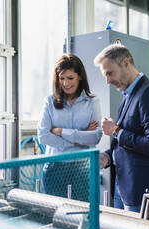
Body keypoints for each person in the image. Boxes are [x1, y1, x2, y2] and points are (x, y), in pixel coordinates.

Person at [94, 44, 149, 221]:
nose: (107, 81)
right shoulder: (128, 97)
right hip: (124, 188)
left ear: (125, 63)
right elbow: (127, 140)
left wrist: (116, 131)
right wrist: (108, 156)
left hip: (143, 192)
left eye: (109, 73)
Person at [37, 54, 102, 200]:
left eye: (70, 78)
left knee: (83, 212)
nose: (66, 83)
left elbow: (95, 137)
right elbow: (43, 136)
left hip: (83, 166)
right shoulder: (49, 101)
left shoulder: (92, 102)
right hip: (55, 166)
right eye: (62, 78)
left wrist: (60, 132)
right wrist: (81, 137)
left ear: (80, 77)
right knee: (55, 213)